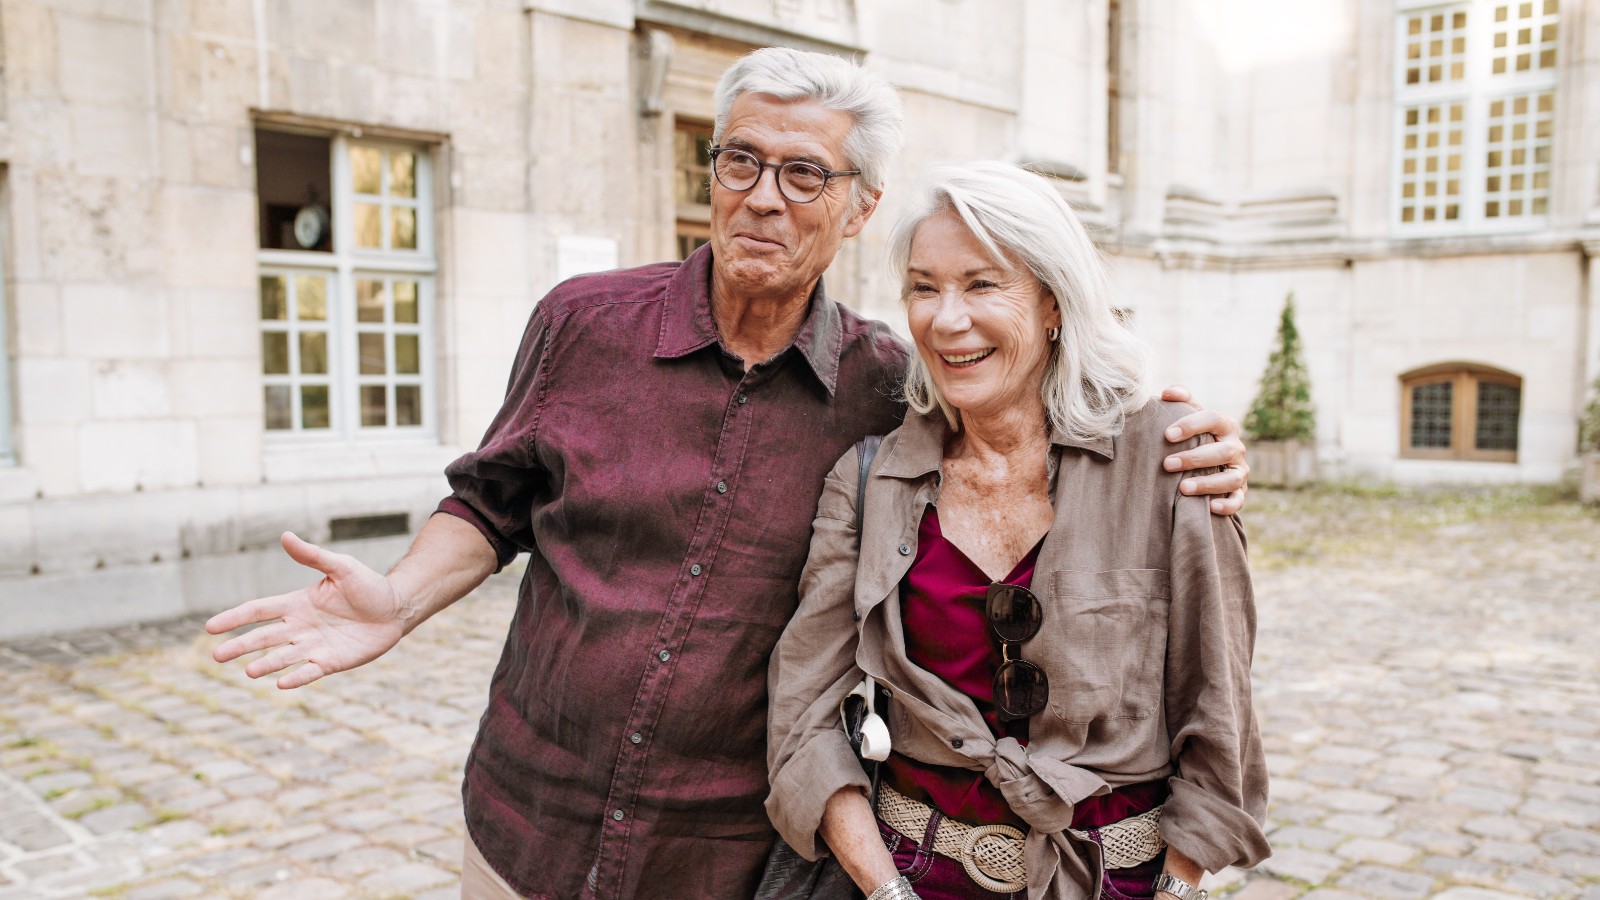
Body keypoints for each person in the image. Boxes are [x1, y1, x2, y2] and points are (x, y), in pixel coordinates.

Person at [206, 50, 1253, 900]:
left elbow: (1017, 384)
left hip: (727, 854)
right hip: (530, 817)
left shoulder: (887, 386)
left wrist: (1178, 428)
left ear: (856, 209)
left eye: (805, 175)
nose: (764, 198)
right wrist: (396, 596)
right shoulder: (584, 321)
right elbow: (491, 501)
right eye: (739, 161)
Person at [765, 161, 1270, 900]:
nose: (946, 318)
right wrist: (886, 893)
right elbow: (803, 719)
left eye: (981, 283)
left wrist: (1176, 887)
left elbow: (1219, 716)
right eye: (924, 287)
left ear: (1053, 303)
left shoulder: (1170, 463)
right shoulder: (869, 481)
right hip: (912, 882)